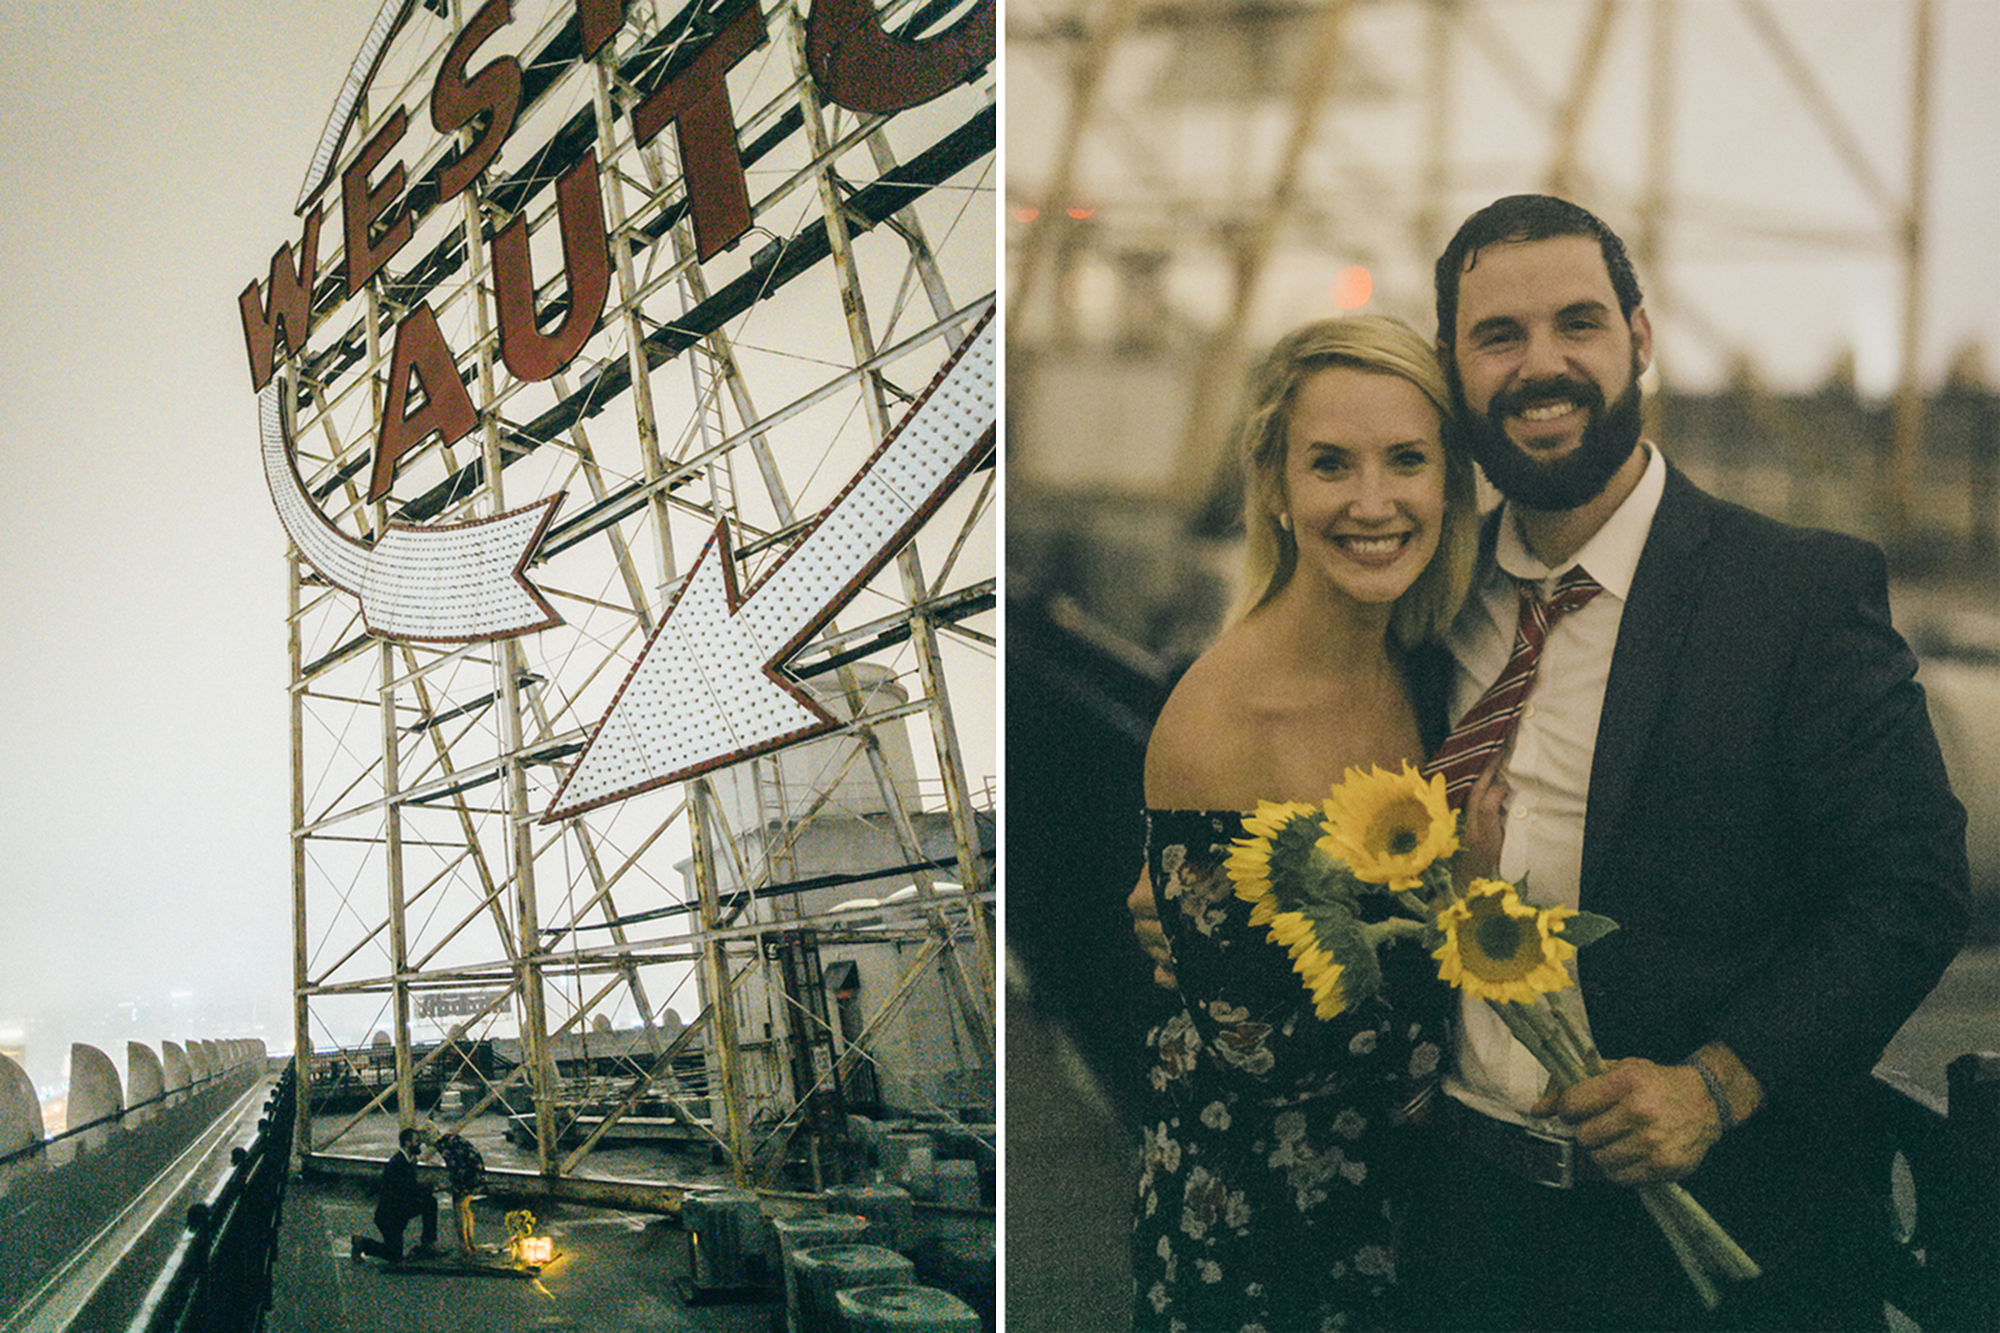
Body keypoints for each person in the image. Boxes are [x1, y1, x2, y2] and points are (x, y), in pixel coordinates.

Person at [1398, 193, 1970, 1332]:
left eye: (1577, 324)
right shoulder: (1421, 597)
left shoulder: (1795, 593)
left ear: (1639, 339)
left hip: (1724, 1238)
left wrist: (1720, 1081)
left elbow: (1908, 888)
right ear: (1449, 366)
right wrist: (1191, 894)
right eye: (1497, 336)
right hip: (1463, 1228)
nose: (1540, 365)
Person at [1129, 314, 1481, 1333]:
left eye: (1405, 460)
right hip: (1262, 1247)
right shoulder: (1219, 725)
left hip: (1408, 1220)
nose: (1372, 503)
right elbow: (1265, 1050)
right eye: (1330, 465)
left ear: (1447, 482)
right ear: (1275, 489)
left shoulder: (1419, 657)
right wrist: (1482, 905)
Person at [351, 1126, 440, 1263]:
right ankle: (361, 1243)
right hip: (390, 1215)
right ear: (407, 1142)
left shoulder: (407, 1161)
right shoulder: (398, 1163)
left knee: (430, 1202)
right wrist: (426, 1187)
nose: (420, 1144)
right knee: (394, 1255)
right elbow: (405, 1190)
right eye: (416, 1141)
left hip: (398, 1209)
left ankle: (428, 1243)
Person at [435, 1129, 487, 1253]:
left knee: (459, 1209)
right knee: (466, 1208)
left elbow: (453, 1166)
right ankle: (471, 1242)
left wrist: (447, 1186)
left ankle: (464, 1245)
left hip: (466, 1175)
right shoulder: (453, 1139)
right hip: (475, 1171)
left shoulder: (443, 1145)